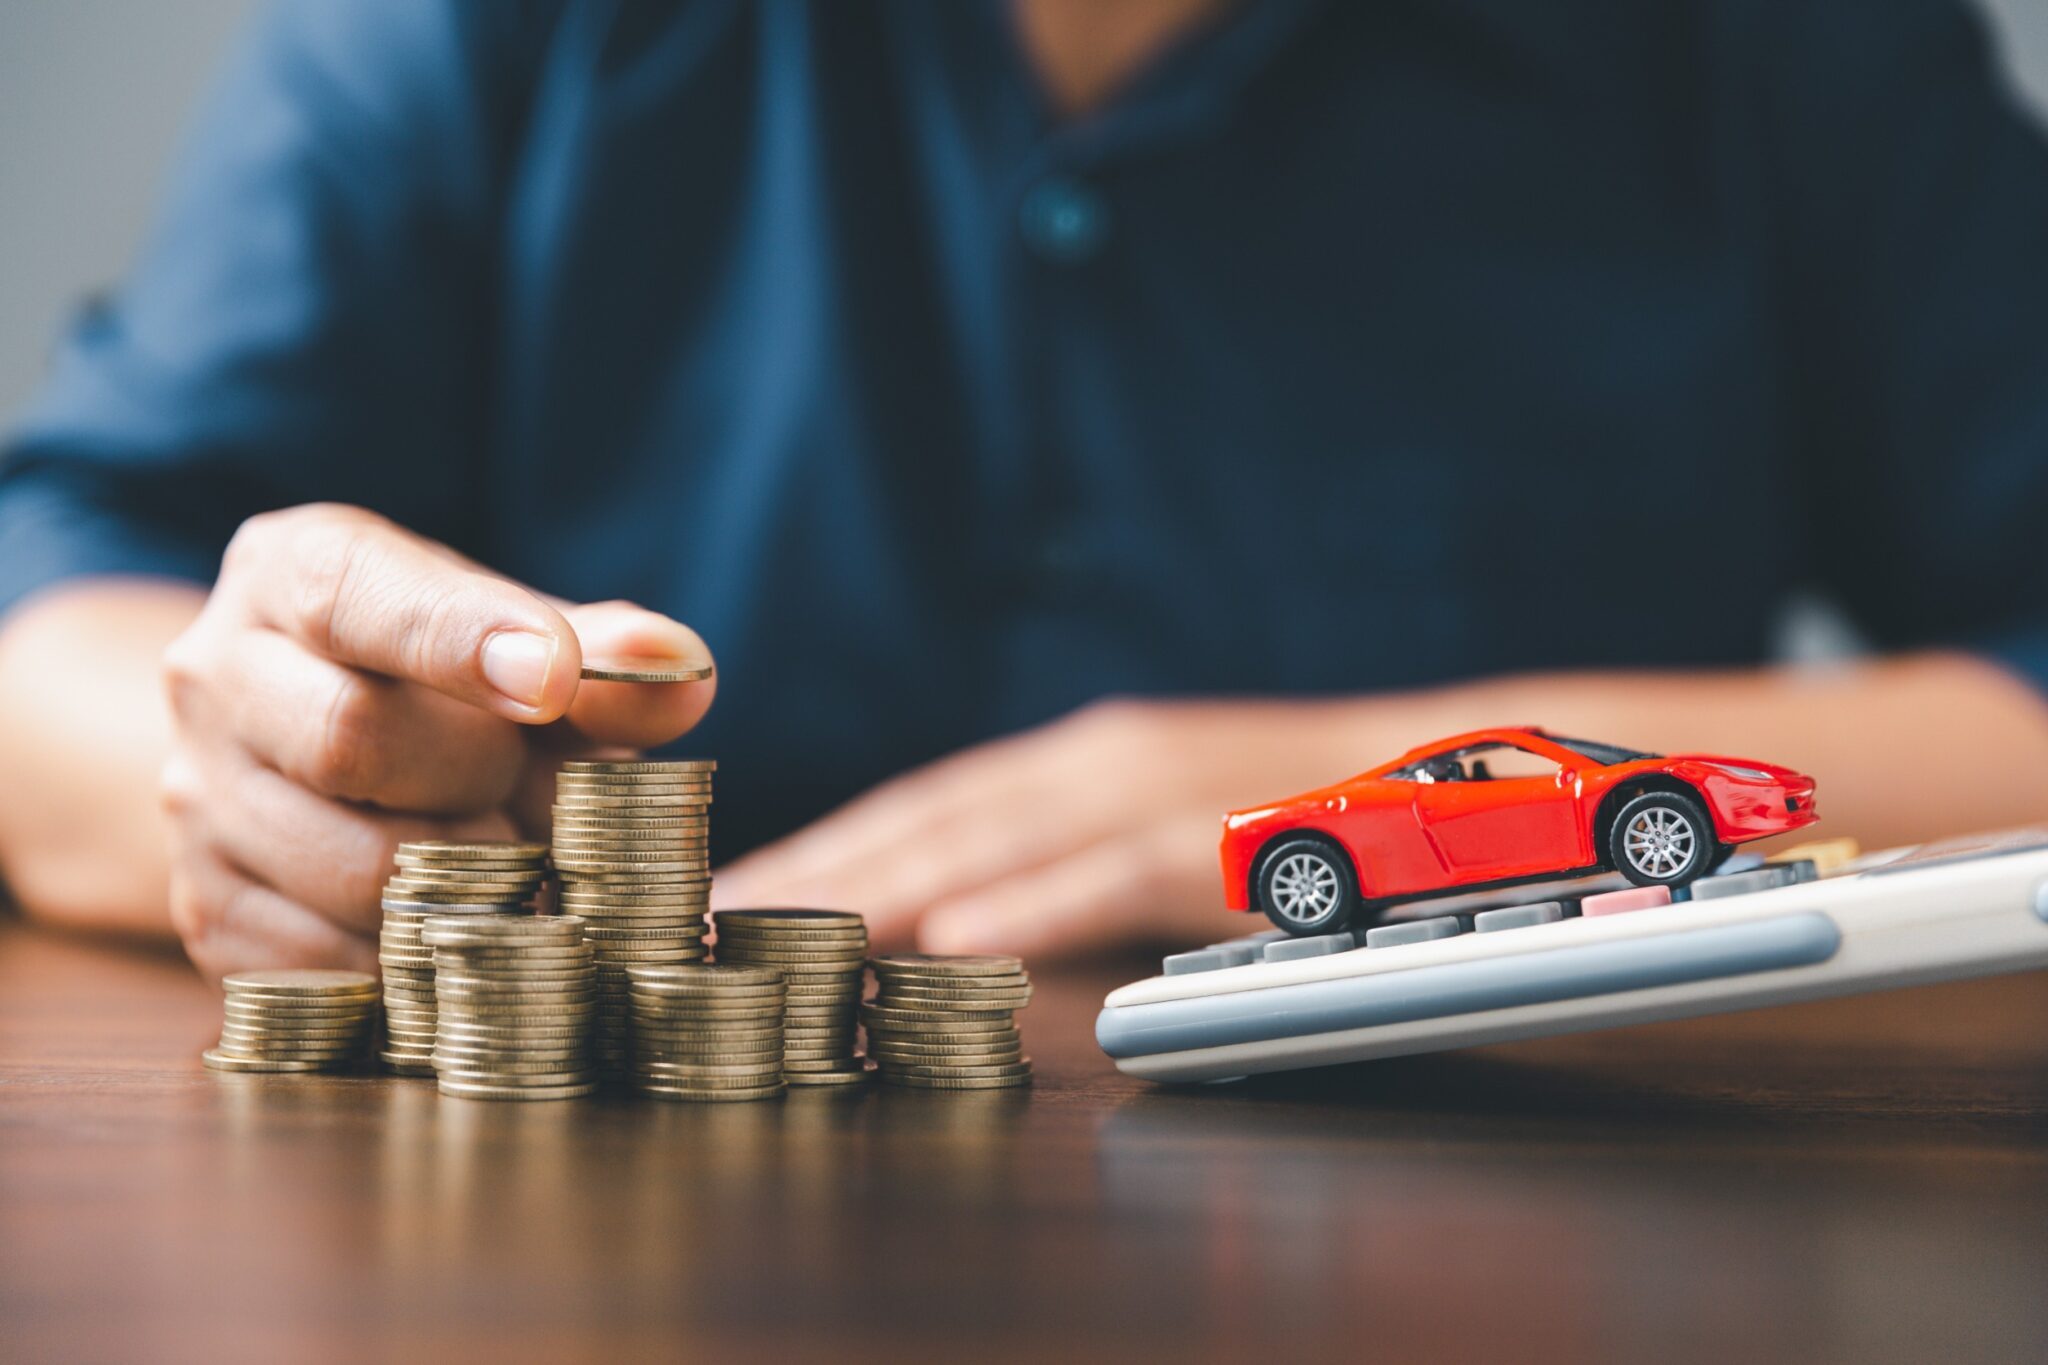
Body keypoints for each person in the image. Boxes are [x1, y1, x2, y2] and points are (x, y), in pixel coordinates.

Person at [3, 0, 2048, 983]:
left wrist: (1366, 791)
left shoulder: (1791, 48)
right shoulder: (460, 34)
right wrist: (261, 779)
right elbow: (58, 590)